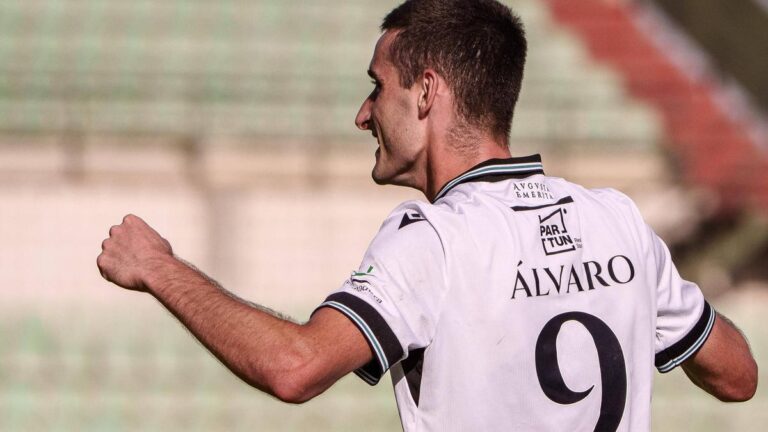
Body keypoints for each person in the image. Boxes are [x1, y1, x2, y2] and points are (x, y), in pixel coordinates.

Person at [97, 0, 757, 430]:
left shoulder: (435, 240)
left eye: (376, 86)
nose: (363, 113)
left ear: (427, 92)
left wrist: (159, 268)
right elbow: (737, 375)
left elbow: (294, 368)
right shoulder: (615, 220)